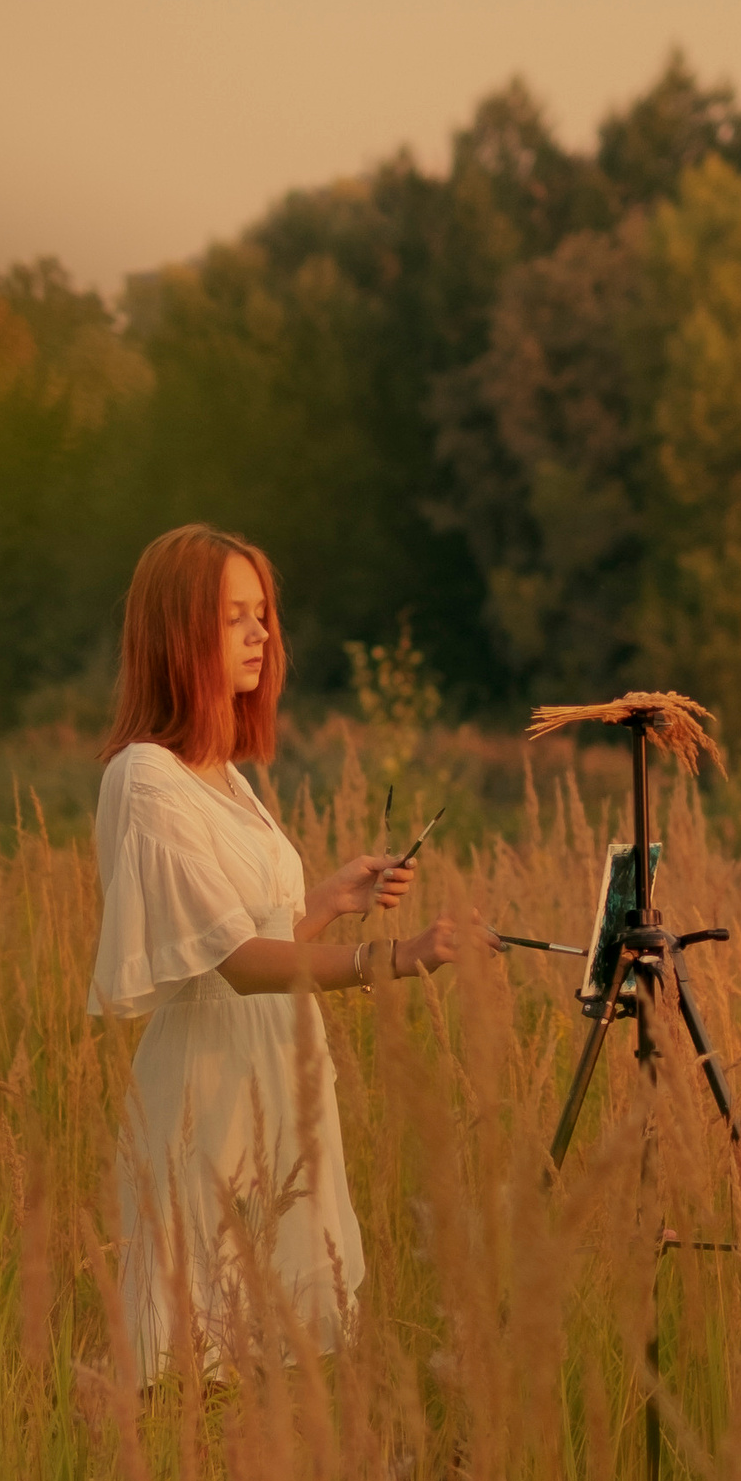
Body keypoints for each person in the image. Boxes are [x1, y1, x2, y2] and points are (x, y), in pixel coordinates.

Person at [88, 524, 460, 1388]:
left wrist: (328, 900)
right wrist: (389, 958)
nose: (261, 635)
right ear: (179, 634)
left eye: (262, 615)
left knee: (278, 1356)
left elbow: (247, 936)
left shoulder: (226, 779)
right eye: (234, 618)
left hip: (278, 1078)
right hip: (208, 1094)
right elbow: (233, 964)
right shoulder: (145, 777)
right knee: (196, 1353)